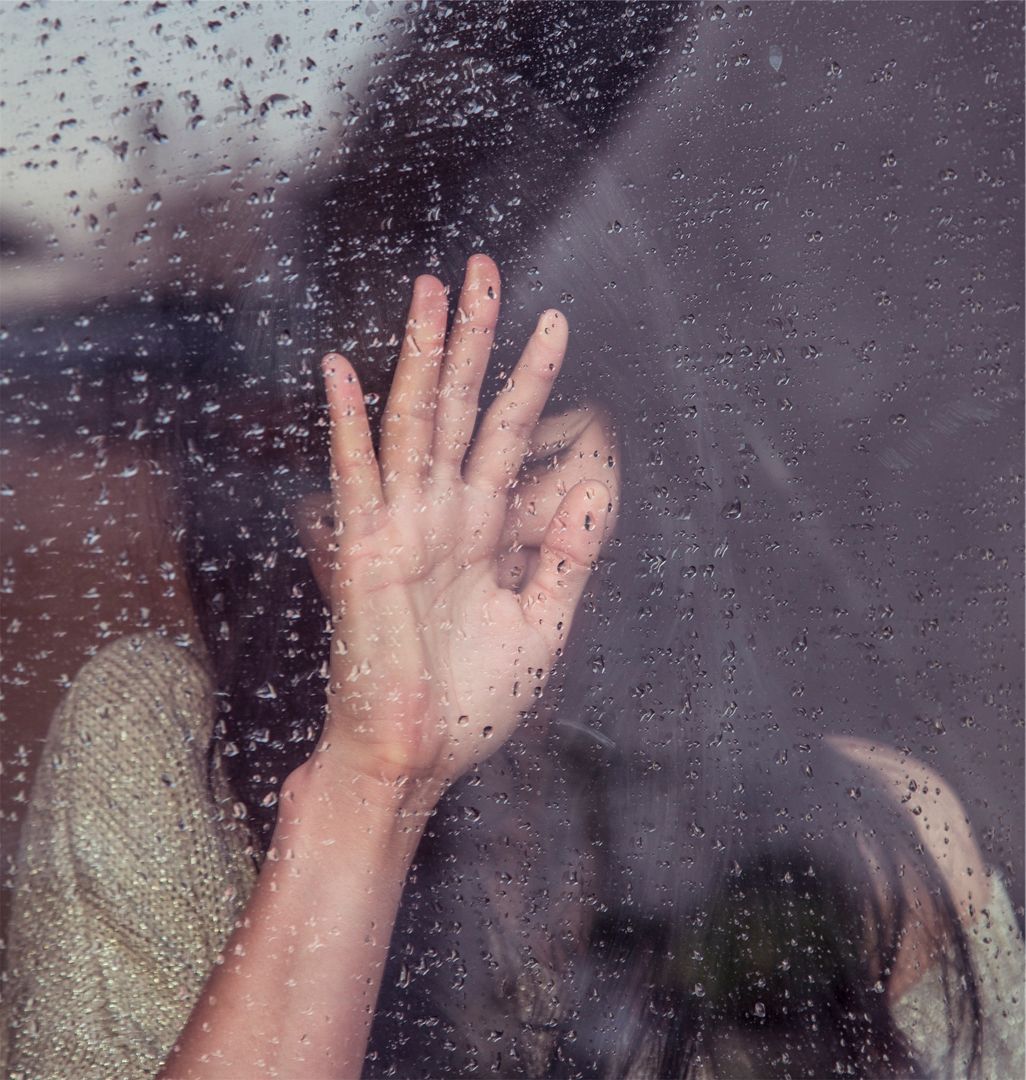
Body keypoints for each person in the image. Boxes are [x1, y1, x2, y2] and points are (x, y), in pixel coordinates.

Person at [4, 253, 1024, 1080]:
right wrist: (376, 783)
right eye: (374, 496)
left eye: (527, 466)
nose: (457, 548)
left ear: (651, 456)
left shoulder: (861, 843)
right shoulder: (170, 749)